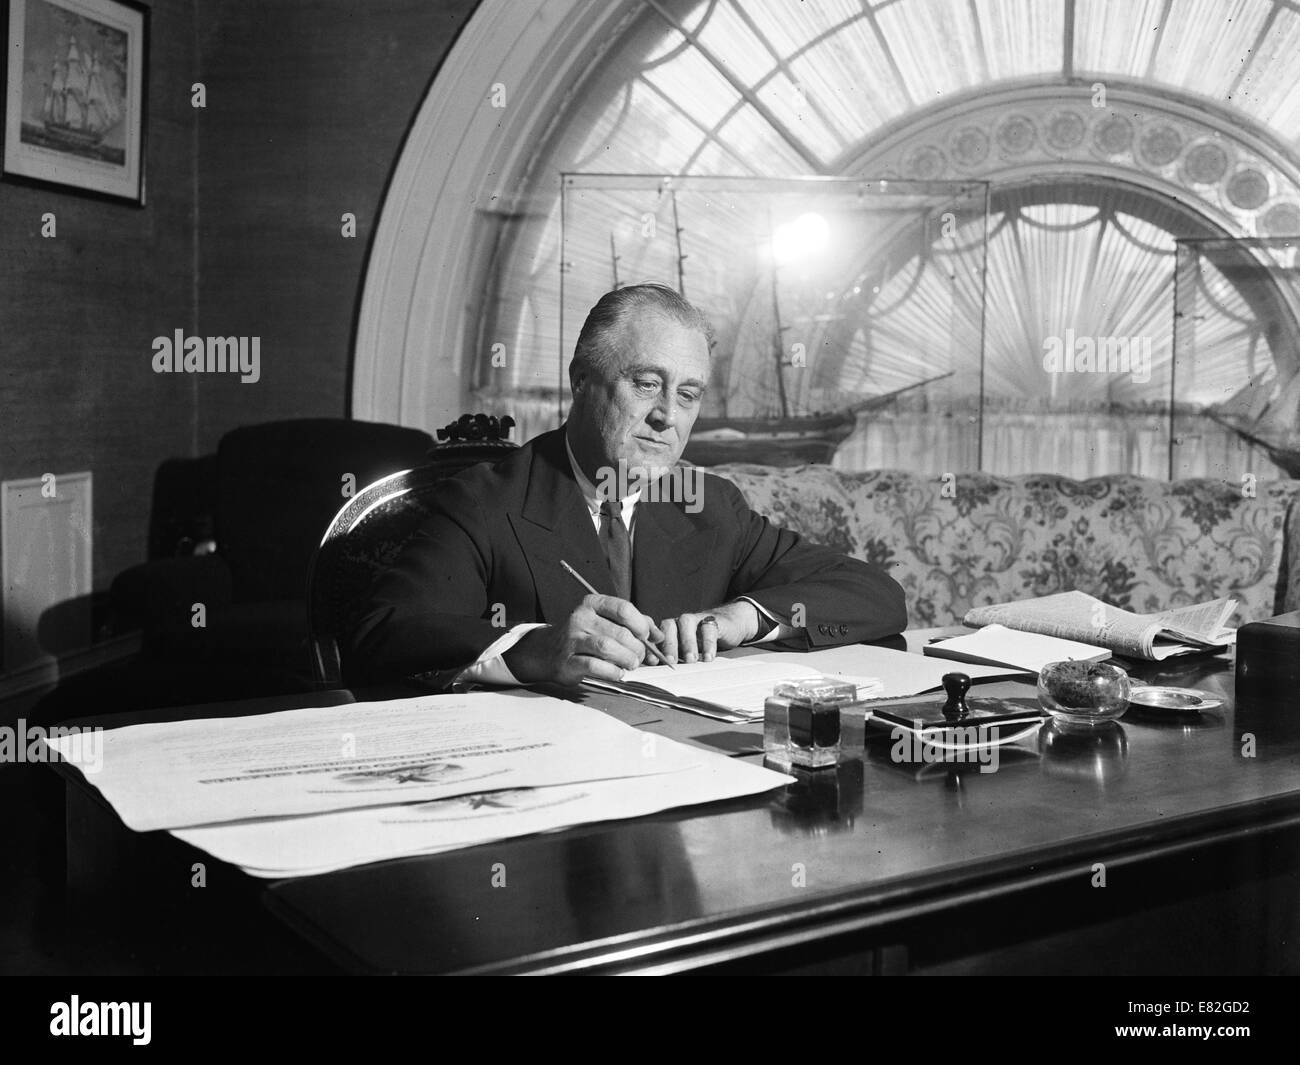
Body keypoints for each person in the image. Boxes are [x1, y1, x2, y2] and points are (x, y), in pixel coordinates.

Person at [346, 283, 907, 690]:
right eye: (646, 384)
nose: (667, 417)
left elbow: (876, 596)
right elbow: (382, 635)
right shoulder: (484, 501)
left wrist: (741, 618)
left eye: (687, 395)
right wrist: (534, 649)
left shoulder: (710, 506)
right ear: (580, 381)